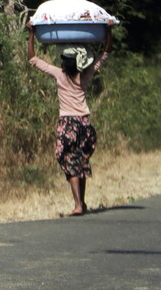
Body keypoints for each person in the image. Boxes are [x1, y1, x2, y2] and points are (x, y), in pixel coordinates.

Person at [26, 21, 113, 217]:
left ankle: (78, 205)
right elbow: (106, 53)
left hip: (68, 124)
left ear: (65, 63)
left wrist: (31, 34)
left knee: (68, 161)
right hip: (84, 124)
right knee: (80, 162)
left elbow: (32, 58)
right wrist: (108, 31)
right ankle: (81, 202)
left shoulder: (59, 75)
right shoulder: (86, 75)